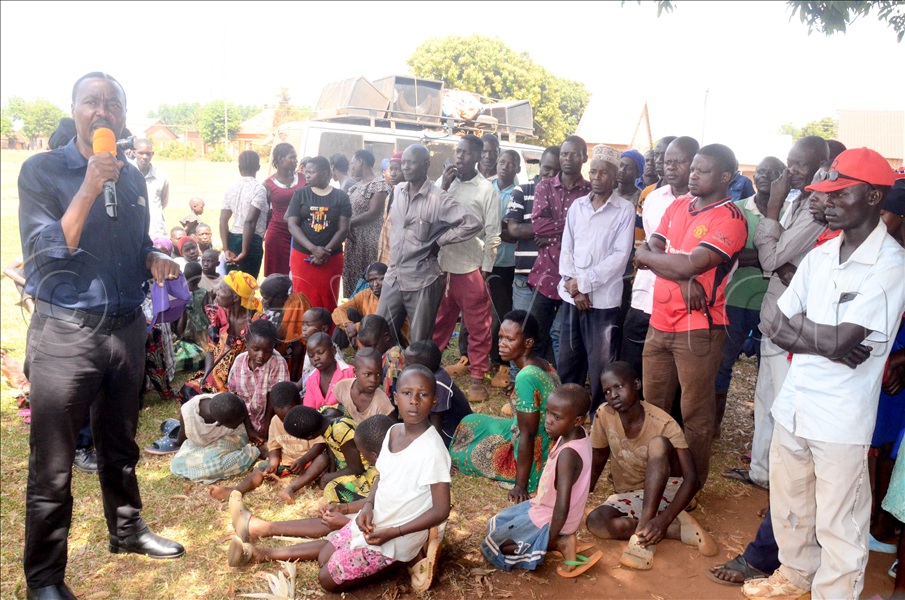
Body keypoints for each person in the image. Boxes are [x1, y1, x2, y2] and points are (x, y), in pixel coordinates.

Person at [17, 71, 184, 599]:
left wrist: (154, 258)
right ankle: (44, 579)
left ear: (123, 115)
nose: (103, 109)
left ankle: (128, 529)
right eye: (92, 101)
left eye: (113, 102)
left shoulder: (132, 178)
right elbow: (48, 253)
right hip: (65, 333)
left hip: (125, 331)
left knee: (120, 444)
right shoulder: (41, 171)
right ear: (74, 110)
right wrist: (89, 184)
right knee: (54, 464)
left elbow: (133, 247)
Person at [741, 148, 904, 600]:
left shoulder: (891, 265)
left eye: (839, 193)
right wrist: (828, 341)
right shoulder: (821, 255)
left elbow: (832, 339)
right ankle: (794, 578)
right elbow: (773, 323)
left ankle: (835, 594)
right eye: (824, 193)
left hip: (840, 417)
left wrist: (818, 338)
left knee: (839, 519)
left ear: (873, 196)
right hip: (796, 400)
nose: (826, 202)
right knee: (792, 501)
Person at [230, 367, 451, 593]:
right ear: (395, 397)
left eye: (422, 395)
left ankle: (403, 560)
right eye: (406, 393)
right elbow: (382, 477)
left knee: (326, 580)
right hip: (376, 522)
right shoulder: (394, 431)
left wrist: (394, 532)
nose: (413, 401)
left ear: (434, 401)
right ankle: (262, 550)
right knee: (325, 556)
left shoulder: (432, 450)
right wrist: (367, 505)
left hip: (396, 535)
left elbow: (441, 510)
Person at [634, 144, 748, 490]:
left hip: (699, 329)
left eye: (702, 170)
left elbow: (692, 262)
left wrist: (679, 268)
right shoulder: (678, 204)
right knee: (654, 408)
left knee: (695, 414)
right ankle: (652, 477)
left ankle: (690, 486)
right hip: (659, 320)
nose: (693, 175)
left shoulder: (730, 218)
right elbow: (645, 250)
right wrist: (683, 278)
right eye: (693, 168)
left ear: (726, 177)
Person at [744, 136, 830, 489]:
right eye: (790, 162)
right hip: (774, 316)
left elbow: (771, 259)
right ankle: (760, 472)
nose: (790, 171)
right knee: (765, 399)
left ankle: (781, 483)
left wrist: (772, 210)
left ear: (820, 167)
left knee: (782, 406)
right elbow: (777, 261)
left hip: (791, 324)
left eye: (800, 165)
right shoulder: (800, 200)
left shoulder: (815, 209)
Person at [585, 362, 717, 570]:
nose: (613, 395)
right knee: (596, 522)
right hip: (633, 494)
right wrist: (583, 491)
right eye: (607, 391)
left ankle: (644, 538)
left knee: (658, 444)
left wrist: (663, 518)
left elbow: (692, 479)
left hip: (669, 490)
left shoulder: (664, 423)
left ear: (636, 384)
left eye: (619, 387)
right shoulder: (605, 415)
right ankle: (675, 529)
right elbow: (599, 455)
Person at [482, 383, 600, 577]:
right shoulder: (574, 436)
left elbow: (562, 506)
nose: (548, 421)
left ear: (577, 420)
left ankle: (561, 542)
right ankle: (560, 538)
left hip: (553, 516)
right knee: (494, 525)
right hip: (544, 506)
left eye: (557, 417)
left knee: (496, 548)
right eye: (548, 412)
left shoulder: (568, 455)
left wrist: (548, 541)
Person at [226, 415, 394, 550]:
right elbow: (371, 502)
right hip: (371, 516)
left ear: (375, 455)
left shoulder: (391, 476)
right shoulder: (386, 471)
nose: (361, 456)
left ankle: (262, 533)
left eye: (363, 454)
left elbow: (381, 527)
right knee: (332, 520)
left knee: (331, 535)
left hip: (379, 532)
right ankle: (260, 528)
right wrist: (344, 508)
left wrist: (346, 520)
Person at [376, 144, 481, 345]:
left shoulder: (438, 199)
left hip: (421, 279)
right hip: (394, 276)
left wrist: (441, 240)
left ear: (425, 165)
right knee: (379, 334)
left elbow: (473, 223)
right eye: (403, 163)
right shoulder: (397, 191)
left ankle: (415, 375)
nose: (405, 167)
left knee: (419, 343)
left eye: (411, 163)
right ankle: (386, 375)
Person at [557, 145, 635, 414]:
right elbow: (566, 247)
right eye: (594, 172)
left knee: (600, 364)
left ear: (615, 177)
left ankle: (599, 416)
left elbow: (619, 257)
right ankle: (569, 411)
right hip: (573, 297)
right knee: (569, 357)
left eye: (604, 173)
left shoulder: (624, 210)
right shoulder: (577, 206)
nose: (598, 177)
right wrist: (574, 286)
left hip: (602, 301)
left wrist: (584, 283)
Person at [451, 311, 559, 498]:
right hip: (542, 441)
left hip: (534, 456)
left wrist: (520, 485)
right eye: (501, 337)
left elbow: (528, 434)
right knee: (471, 420)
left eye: (509, 339)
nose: (501, 344)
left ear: (528, 343)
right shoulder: (544, 364)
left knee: (460, 455)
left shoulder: (526, 376)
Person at [713, 156, 785, 437]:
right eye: (761, 171)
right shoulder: (737, 210)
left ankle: (763, 433)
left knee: (769, 370)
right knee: (722, 364)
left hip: (776, 305)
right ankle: (715, 425)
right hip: (735, 299)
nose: (765, 176)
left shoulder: (791, 212)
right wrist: (772, 258)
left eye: (773, 172)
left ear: (784, 178)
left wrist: (756, 257)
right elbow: (730, 254)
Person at [620, 136, 697, 380]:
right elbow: (643, 247)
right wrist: (648, 257)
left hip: (679, 304)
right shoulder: (652, 197)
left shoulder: (702, 204)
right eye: (667, 161)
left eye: (679, 162)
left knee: (670, 377)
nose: (670, 167)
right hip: (644, 296)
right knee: (630, 367)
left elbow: (690, 260)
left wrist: (651, 257)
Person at [433, 135, 501, 402]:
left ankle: (476, 378)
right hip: (441, 267)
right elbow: (430, 213)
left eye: (465, 153)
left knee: (478, 328)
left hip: (470, 268)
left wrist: (486, 268)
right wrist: (444, 185)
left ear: (477, 156)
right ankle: (429, 369)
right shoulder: (443, 183)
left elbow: (494, 233)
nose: (459, 157)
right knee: (439, 324)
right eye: (457, 151)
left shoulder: (487, 190)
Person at [208, 381, 330, 501]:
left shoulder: (307, 417)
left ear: (299, 405)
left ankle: (291, 488)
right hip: (287, 462)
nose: (285, 421)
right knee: (262, 467)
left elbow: (320, 443)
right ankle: (236, 490)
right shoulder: (275, 421)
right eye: (282, 418)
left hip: (308, 462)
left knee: (323, 459)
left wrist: (304, 460)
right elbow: (274, 447)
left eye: (289, 416)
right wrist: (273, 464)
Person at [527, 136, 591, 361]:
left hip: (573, 278)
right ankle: (531, 383)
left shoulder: (590, 191)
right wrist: (573, 224)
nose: (568, 159)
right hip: (545, 274)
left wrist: (555, 233)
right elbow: (538, 226)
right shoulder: (545, 186)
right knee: (534, 335)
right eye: (564, 154)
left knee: (564, 337)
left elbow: (588, 233)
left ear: (584, 157)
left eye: (574, 154)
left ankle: (561, 390)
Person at [504, 146, 561, 380]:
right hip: (526, 277)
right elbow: (513, 228)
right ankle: (519, 384)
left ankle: (553, 384)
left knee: (555, 334)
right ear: (539, 166)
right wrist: (551, 230)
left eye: (555, 171)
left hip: (556, 278)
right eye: (546, 168)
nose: (550, 175)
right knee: (521, 332)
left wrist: (543, 231)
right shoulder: (524, 190)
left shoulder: (564, 196)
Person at [286, 156, 351, 313]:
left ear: (324, 173)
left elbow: (344, 229)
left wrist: (325, 251)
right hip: (303, 257)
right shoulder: (300, 194)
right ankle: (302, 336)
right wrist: (313, 249)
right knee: (302, 299)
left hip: (331, 258)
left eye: (311, 172)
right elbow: (292, 224)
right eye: (306, 172)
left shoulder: (341, 196)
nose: (307, 175)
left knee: (328, 299)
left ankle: (326, 336)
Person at [280, 404, 369, 504]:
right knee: (322, 459)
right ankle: (291, 488)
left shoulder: (340, 430)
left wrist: (327, 478)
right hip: (343, 463)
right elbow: (331, 445)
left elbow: (356, 468)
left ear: (310, 437)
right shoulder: (324, 411)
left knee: (332, 489)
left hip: (364, 468)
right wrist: (332, 473)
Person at [169, 392, 260, 484]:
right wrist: (178, 443)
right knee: (177, 463)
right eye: (236, 424)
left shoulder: (227, 400)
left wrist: (249, 430)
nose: (240, 424)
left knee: (216, 465)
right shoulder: (189, 416)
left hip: (231, 437)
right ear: (219, 424)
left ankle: (254, 451)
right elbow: (183, 433)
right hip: (204, 442)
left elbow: (241, 405)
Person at [227, 319, 290, 442]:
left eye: (267, 351)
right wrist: (249, 428)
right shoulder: (239, 361)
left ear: (274, 346)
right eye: (256, 349)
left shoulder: (277, 363)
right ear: (246, 344)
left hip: (269, 419)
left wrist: (266, 430)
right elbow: (235, 397)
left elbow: (276, 399)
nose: (261, 355)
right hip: (244, 419)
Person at [403, 340, 473, 447]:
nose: (404, 367)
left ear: (423, 368)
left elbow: (437, 425)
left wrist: (434, 449)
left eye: (408, 365)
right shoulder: (431, 374)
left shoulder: (438, 384)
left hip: (454, 432)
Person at [343, 149, 391, 296]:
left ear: (360, 161)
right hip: (354, 242)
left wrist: (349, 223)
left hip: (370, 241)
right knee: (353, 279)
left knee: (370, 278)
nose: (351, 167)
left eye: (352, 163)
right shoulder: (355, 187)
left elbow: (374, 212)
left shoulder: (379, 184)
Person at [333, 262, 408, 349]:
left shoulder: (396, 294)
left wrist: (356, 327)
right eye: (371, 281)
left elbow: (383, 323)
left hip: (392, 339)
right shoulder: (365, 294)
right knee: (349, 313)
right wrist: (348, 326)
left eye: (379, 279)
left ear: (388, 278)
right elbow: (338, 311)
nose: (375, 284)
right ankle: (334, 352)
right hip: (368, 334)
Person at [221, 150, 269, 280]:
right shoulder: (258, 189)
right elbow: (250, 221)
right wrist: (245, 252)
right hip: (251, 241)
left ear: (239, 168)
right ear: (258, 167)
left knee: (232, 284)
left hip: (232, 239)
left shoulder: (231, 188)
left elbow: (223, 220)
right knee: (247, 285)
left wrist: (225, 249)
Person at [263, 143, 306, 277]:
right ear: (280, 159)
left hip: (301, 234)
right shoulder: (268, 184)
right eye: (292, 157)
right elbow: (264, 213)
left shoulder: (304, 179)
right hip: (277, 235)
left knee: (299, 276)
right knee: (276, 278)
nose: (295, 160)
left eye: (296, 157)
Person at [259, 273, 311, 381]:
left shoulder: (294, 309)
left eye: (266, 298)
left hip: (287, 362)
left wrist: (293, 377)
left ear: (280, 297)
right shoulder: (269, 308)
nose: (263, 301)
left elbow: (298, 346)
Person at [334, 348, 395, 422]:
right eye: (367, 374)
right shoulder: (342, 388)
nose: (373, 380)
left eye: (378, 374)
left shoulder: (382, 404)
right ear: (355, 372)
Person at [297, 308, 349, 393]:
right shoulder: (311, 347)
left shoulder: (331, 351)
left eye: (308, 325)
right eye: (303, 324)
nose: (304, 329)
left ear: (323, 328)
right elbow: (307, 373)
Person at [303, 332, 356, 410]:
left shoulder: (349, 373)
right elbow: (308, 411)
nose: (316, 358)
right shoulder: (311, 379)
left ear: (333, 350)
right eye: (311, 356)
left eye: (320, 353)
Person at [357, 314, 405, 400]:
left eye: (371, 346)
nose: (367, 351)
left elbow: (390, 401)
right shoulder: (379, 351)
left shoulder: (393, 358)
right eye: (364, 347)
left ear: (386, 337)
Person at [133, 138, 169, 239]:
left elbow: (163, 203)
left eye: (148, 154)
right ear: (134, 153)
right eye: (141, 153)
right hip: (132, 231)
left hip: (155, 231)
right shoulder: (127, 174)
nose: (144, 157)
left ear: (152, 154)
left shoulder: (161, 176)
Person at [376, 152, 403, 265]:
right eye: (391, 169)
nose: (392, 173)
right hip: (385, 257)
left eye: (397, 170)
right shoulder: (390, 195)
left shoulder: (409, 198)